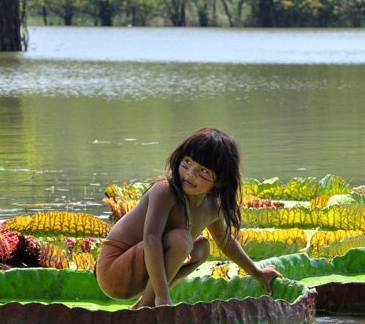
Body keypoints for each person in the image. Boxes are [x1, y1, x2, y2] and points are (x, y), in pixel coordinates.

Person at [95, 126, 281, 308]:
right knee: (182, 240)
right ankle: (153, 303)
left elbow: (227, 244)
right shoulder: (164, 191)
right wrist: (162, 296)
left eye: (203, 171)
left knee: (202, 248)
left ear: (220, 180)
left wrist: (257, 273)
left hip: (144, 275)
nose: (191, 174)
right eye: (188, 162)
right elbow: (151, 239)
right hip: (113, 273)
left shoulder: (213, 207)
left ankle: (143, 305)